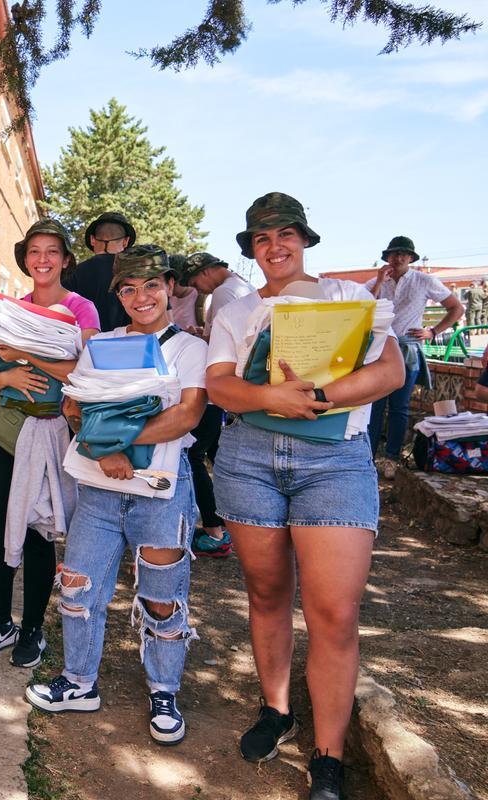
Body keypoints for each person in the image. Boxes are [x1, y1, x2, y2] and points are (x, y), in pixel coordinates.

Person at [205, 193, 404, 800]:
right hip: (250, 459)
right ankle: (277, 709)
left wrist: (318, 395)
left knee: (335, 613)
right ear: (252, 249)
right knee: (266, 593)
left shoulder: (350, 298)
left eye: (285, 235)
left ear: (305, 240)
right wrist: (272, 399)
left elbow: (391, 371)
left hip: (334, 463)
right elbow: (219, 386)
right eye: (262, 239)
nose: (275, 247)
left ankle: (330, 756)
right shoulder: (236, 312)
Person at [26, 244, 206, 746]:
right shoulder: (101, 344)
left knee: (162, 598)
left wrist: (117, 442)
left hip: (161, 491)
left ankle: (164, 691)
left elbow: (188, 414)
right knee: (78, 589)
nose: (140, 297)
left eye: (151, 285)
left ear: (170, 286)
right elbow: (75, 407)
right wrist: (104, 450)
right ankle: (80, 682)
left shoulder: (189, 349)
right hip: (100, 490)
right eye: (128, 288)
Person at [0, 220, 100, 668]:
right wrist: (5, 375)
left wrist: (26, 353)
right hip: (4, 429)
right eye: (34, 251)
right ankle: (0, 620)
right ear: (26, 258)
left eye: (52, 251)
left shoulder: (82, 309)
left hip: (50, 433)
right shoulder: (12, 308)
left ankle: (33, 629)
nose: (42, 259)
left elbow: (83, 373)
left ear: (65, 259)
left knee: (38, 531)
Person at [180, 251, 256, 558]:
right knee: (220, 458)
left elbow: (221, 345)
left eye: (196, 281)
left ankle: (214, 530)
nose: (197, 289)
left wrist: (193, 340)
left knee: (193, 455)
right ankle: (234, 525)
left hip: (216, 390)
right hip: (236, 387)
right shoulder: (243, 286)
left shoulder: (224, 293)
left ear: (207, 271)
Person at [365, 235, 463, 471]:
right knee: (374, 404)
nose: (398, 258)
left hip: (408, 346)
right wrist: (379, 281)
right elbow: (363, 306)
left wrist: (433, 331)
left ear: (410, 257)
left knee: (399, 406)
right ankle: (367, 458)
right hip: (379, 346)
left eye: (403, 254)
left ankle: (392, 458)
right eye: (394, 253)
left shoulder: (423, 280)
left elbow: (456, 308)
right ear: (387, 257)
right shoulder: (376, 282)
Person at [63, 211, 136, 332]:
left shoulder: (72, 273)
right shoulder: (140, 275)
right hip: (129, 347)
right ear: (126, 241)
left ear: (92, 239)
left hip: (83, 348)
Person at [181, 251, 255, 338]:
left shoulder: (223, 291)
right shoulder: (243, 284)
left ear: (204, 272)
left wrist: (192, 336)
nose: (198, 291)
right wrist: (205, 333)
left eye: (195, 285)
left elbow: (221, 341)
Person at [167, 254, 202, 332]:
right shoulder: (166, 299)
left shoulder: (202, 298)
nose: (169, 287)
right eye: (167, 282)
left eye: (174, 283)